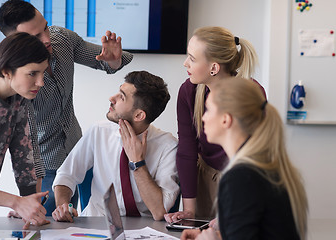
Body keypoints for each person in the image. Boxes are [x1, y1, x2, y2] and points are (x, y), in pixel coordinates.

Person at [0, 0, 133, 215]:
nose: (46, 39)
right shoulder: (16, 84)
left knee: (92, 219)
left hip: (78, 150)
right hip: (46, 163)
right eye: (35, 37)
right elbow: (26, 149)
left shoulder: (61, 39)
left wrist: (113, 61)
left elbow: (108, 61)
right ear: (14, 43)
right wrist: (26, 200)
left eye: (45, 28)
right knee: (48, 224)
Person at [181, 77, 308, 239]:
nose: (203, 117)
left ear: (226, 119)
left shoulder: (242, 177)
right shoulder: (261, 168)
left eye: (208, 110)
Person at [165, 26, 265, 222]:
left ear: (214, 68)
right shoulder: (188, 92)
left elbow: (254, 155)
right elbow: (187, 151)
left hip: (243, 180)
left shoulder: (251, 94)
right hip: (203, 180)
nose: (185, 63)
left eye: (192, 59)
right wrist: (189, 211)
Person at [51, 71, 180, 222]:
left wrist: (137, 162)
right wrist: (63, 206)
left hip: (143, 231)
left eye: (122, 97)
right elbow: (66, 174)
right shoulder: (99, 130)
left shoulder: (168, 146)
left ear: (139, 115)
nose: (111, 98)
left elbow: (159, 211)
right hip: (96, 223)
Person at [0, 32, 51, 228]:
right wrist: (17, 202)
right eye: (33, 73)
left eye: (43, 73)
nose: (40, 82)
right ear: (6, 71)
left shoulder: (18, 97)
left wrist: (30, 203)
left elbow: (23, 152)